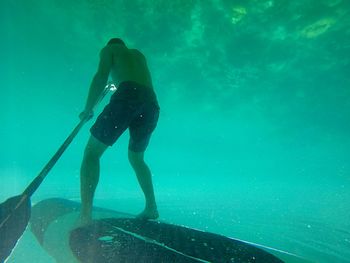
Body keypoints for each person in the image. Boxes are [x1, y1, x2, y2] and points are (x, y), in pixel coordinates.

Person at [79, 38, 160, 225]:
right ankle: (151, 207)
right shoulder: (138, 55)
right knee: (137, 159)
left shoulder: (109, 49)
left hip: (127, 95)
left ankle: (85, 214)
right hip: (151, 103)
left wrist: (88, 108)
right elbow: (135, 79)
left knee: (91, 153)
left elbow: (100, 76)